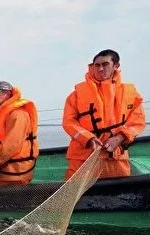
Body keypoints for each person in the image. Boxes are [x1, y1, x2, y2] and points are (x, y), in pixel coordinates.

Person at [62, 49, 145, 180]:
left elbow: (137, 122)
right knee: (79, 198)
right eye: (97, 65)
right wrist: (88, 138)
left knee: (119, 197)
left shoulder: (131, 93)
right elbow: (68, 121)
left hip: (116, 160)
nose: (100, 69)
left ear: (116, 66)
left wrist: (119, 138)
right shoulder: (76, 94)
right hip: (83, 160)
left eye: (105, 64)